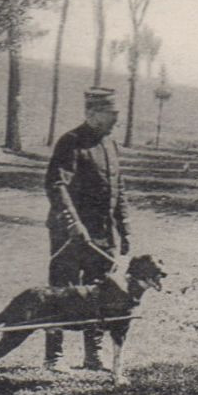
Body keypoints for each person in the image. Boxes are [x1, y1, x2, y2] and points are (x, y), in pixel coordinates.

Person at [43, 87, 130, 372]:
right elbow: (56, 185)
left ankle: (93, 356)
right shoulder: (71, 142)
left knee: (101, 293)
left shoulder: (111, 145)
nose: (117, 119)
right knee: (62, 292)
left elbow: (119, 189)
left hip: (102, 235)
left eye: (117, 114)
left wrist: (125, 229)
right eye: (112, 114)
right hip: (71, 235)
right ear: (92, 114)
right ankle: (53, 357)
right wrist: (73, 223)